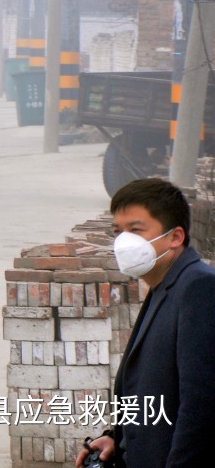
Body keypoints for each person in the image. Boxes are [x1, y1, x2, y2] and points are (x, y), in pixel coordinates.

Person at [75, 177, 215, 468]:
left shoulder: (198, 287)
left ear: (175, 237)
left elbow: (201, 405)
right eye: (118, 231)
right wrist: (117, 438)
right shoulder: (164, 285)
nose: (124, 241)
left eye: (136, 230)